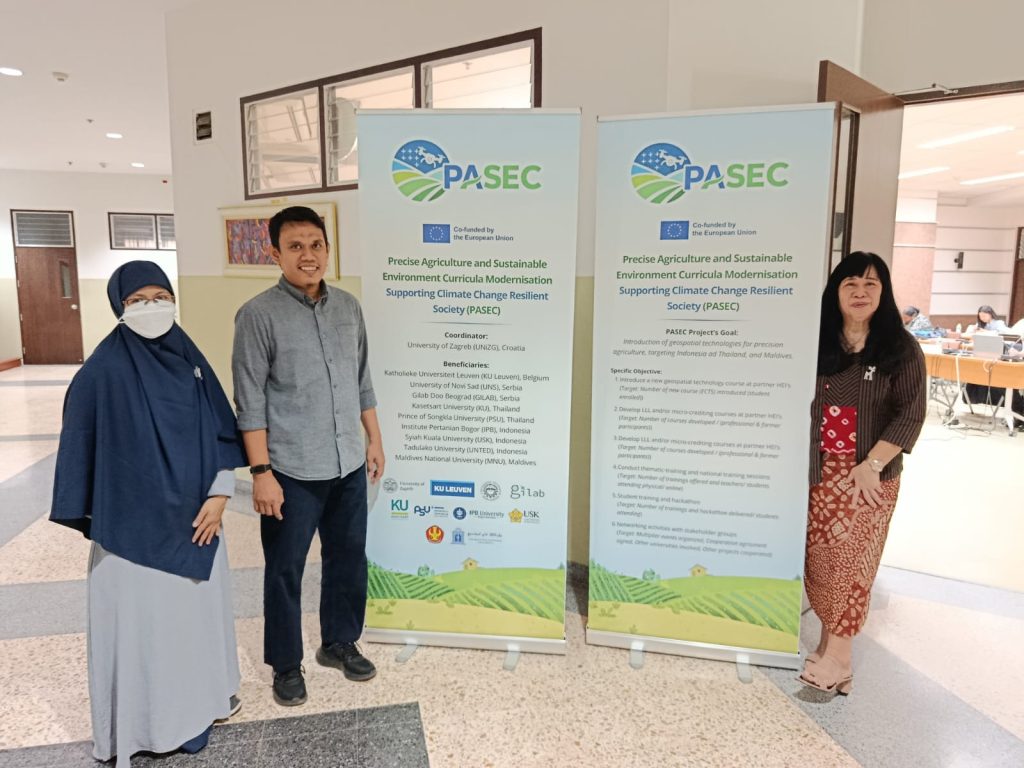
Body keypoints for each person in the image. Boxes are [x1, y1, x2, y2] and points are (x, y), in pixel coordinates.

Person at [50, 261, 246, 765]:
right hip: (130, 536)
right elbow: (81, 447)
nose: (151, 307)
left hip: (199, 521)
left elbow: (222, 432)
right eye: (137, 300)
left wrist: (220, 493)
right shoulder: (101, 374)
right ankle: (147, 729)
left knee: (190, 627)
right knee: (147, 634)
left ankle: (198, 713)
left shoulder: (190, 360)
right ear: (119, 306)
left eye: (161, 296)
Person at [232, 205, 384, 707]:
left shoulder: (348, 308)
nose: (308, 255)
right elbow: (250, 401)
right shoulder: (257, 315)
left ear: (328, 249)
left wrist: (374, 439)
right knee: (285, 569)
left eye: (316, 245)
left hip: (347, 462)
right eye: (295, 246)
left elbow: (362, 380)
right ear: (274, 254)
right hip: (291, 470)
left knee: (348, 558)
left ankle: (339, 642)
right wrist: (261, 472)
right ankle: (285, 664)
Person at [801, 252, 926, 695]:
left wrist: (872, 465)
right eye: (850, 283)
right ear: (835, 291)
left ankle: (840, 657)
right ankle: (828, 650)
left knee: (853, 566)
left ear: (883, 292)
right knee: (823, 561)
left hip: (868, 474)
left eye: (870, 284)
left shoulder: (900, 347)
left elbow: (911, 413)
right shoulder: (820, 341)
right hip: (821, 472)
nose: (860, 292)